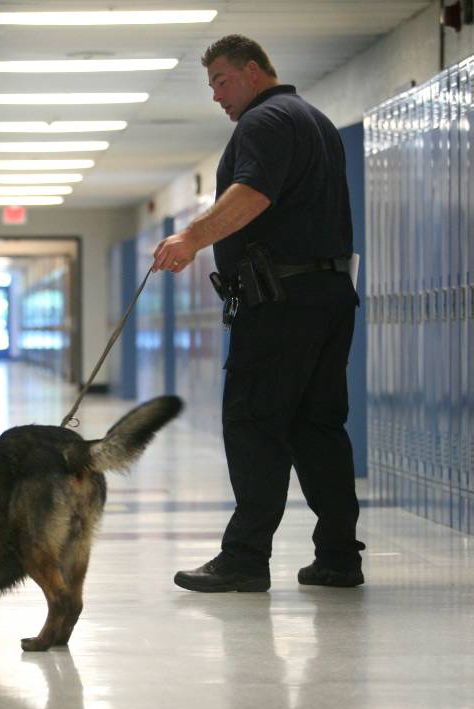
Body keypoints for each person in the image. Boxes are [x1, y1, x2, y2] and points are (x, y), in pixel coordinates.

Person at [152, 34, 365, 592]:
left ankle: (245, 557)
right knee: (317, 425)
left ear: (251, 72)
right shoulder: (314, 119)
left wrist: (192, 238)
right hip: (328, 292)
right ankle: (340, 556)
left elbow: (253, 194)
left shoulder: (264, 121)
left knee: (253, 422)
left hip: (280, 301)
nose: (217, 97)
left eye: (221, 81)